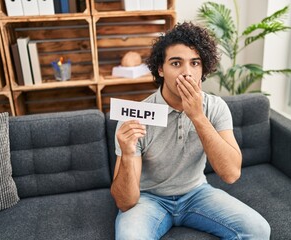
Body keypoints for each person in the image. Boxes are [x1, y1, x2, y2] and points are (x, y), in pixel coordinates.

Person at [111, 22, 271, 240]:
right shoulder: (133, 117)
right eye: (176, 63)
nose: (187, 73)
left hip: (196, 193)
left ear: (203, 68)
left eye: (195, 63)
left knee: (259, 230)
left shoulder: (215, 108)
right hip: (148, 199)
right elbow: (125, 201)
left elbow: (231, 174)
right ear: (160, 69)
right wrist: (128, 154)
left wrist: (197, 116)